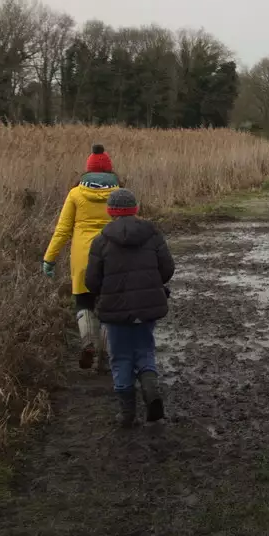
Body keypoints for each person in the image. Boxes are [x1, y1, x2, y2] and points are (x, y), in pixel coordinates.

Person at [84, 188, 174, 427]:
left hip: (115, 311)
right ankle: (151, 389)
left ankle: (126, 414)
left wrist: (105, 292)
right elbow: (167, 269)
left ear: (111, 211)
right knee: (145, 350)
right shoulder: (153, 234)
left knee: (121, 357)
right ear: (135, 209)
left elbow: (91, 282)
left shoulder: (100, 241)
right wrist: (153, 284)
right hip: (147, 308)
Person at [42, 144, 120, 370]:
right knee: (109, 305)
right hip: (112, 254)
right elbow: (130, 225)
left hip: (83, 256)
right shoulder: (119, 194)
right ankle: (105, 353)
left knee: (84, 302)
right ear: (109, 171)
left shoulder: (75, 194)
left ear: (87, 170)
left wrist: (50, 258)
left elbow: (63, 230)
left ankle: (88, 342)